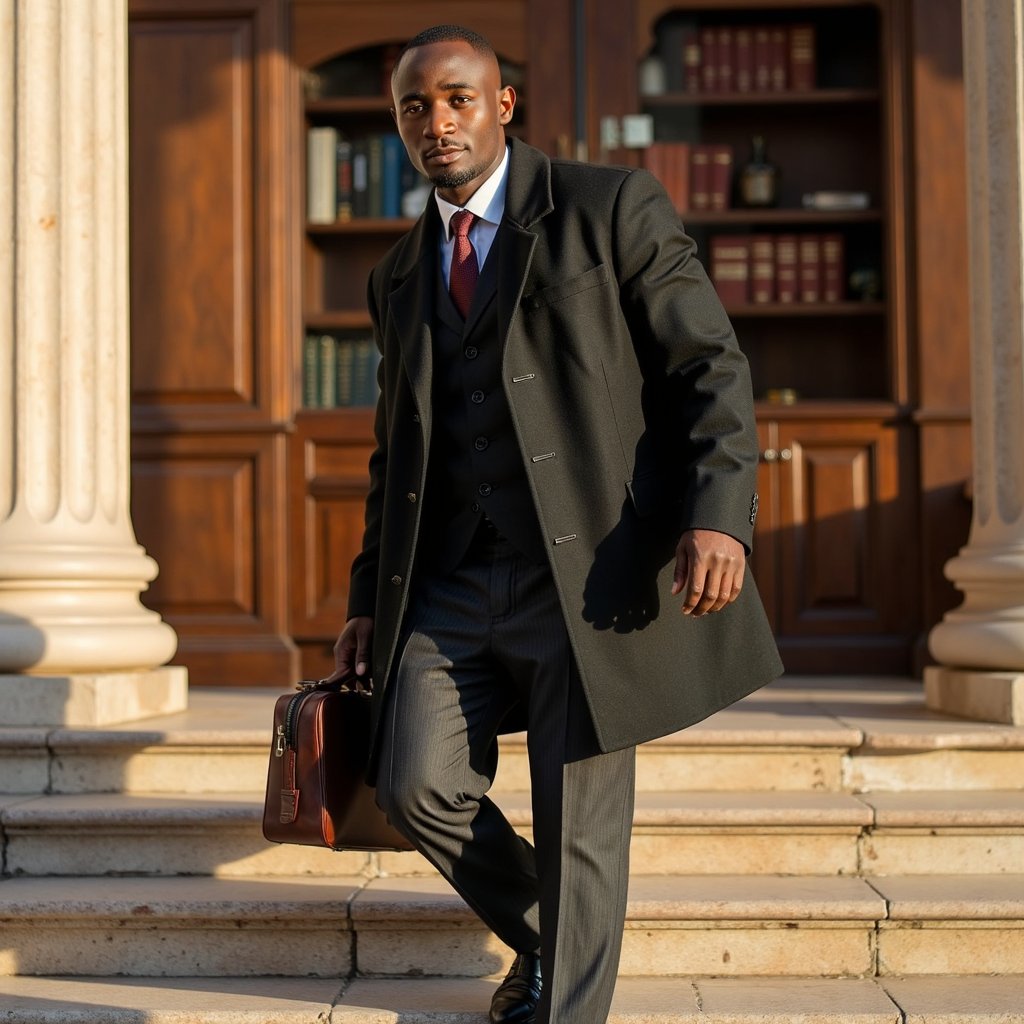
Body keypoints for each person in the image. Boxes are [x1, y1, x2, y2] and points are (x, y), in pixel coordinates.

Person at [329, 24, 783, 1024]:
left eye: (455, 98)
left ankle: (567, 1005)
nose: (434, 122)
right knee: (412, 784)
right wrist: (369, 600)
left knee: (580, 821)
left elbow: (707, 364)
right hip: (450, 583)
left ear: (502, 104)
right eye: (414, 106)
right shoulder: (399, 275)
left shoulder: (606, 206)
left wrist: (720, 517)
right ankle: (557, 931)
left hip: (588, 577)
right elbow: (393, 456)